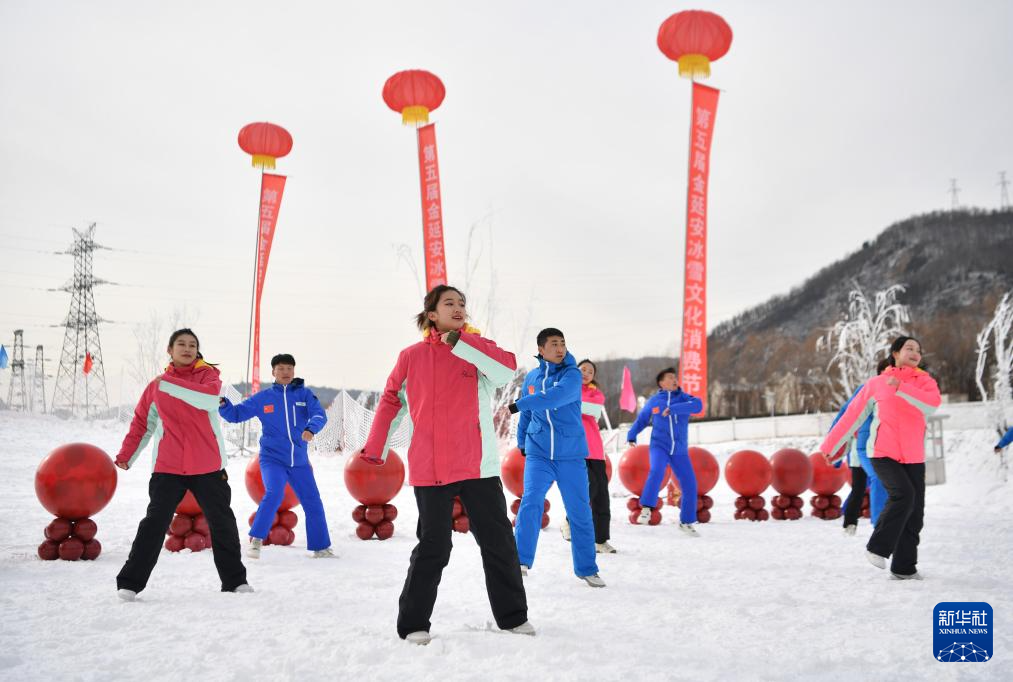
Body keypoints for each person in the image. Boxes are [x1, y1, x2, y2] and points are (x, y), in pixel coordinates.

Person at [359, 285, 532, 645]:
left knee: (498, 541)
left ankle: (513, 617)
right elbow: (391, 400)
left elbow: (506, 371)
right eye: (449, 303)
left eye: (462, 303)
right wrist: (375, 448)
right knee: (434, 546)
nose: (459, 308)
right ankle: (413, 623)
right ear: (432, 314)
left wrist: (464, 342)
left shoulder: (475, 350)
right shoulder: (411, 356)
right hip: (432, 466)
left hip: (477, 465)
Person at [114, 328, 251, 600]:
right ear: (170, 350)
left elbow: (209, 399)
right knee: (154, 523)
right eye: (181, 344)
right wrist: (127, 455)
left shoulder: (208, 377)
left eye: (192, 345)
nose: (187, 349)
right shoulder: (157, 386)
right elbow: (143, 422)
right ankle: (130, 582)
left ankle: (235, 581)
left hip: (208, 465)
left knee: (222, 523)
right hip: (168, 467)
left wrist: (167, 384)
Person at [817, 336, 941, 580]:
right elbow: (851, 416)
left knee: (915, 513)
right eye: (909, 348)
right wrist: (831, 446)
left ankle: (904, 568)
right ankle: (877, 547)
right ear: (895, 352)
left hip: (914, 457)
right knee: (903, 495)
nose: (916, 353)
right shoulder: (876, 384)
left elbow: (931, 405)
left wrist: (902, 388)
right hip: (883, 454)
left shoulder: (925, 382)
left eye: (918, 349)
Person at [508, 330, 604, 587]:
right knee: (530, 503)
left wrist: (521, 403)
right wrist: (521, 442)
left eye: (563, 343)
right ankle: (520, 561)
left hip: (570, 454)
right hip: (538, 451)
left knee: (579, 511)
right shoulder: (532, 377)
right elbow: (527, 416)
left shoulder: (572, 374)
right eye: (554, 344)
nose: (560, 348)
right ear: (542, 349)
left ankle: (587, 568)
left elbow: (555, 398)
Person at [219, 353, 333, 559]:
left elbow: (319, 414)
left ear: (294, 371)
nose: (286, 372)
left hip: (299, 461)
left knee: (313, 501)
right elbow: (236, 414)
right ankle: (256, 540)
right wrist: (223, 404)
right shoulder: (264, 398)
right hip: (272, 459)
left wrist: (311, 428)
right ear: (273, 372)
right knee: (274, 493)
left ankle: (321, 547)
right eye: (281, 368)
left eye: (289, 368)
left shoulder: (304, 395)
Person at [626, 368, 703, 535]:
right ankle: (646, 508)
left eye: (675, 377)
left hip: (679, 450)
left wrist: (674, 409)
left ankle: (686, 522)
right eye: (670, 377)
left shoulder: (684, 398)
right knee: (657, 470)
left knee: (690, 484)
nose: (675, 380)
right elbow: (642, 420)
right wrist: (631, 435)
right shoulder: (654, 401)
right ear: (661, 383)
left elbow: (698, 406)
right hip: (659, 446)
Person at [560, 359, 615, 554]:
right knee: (587, 488)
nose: (586, 373)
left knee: (601, 496)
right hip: (575, 450)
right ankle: (568, 521)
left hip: (596, 451)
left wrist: (570, 402)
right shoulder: (565, 388)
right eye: (582, 369)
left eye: (590, 371)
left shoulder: (595, 393)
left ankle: (600, 540)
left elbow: (592, 409)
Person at [830, 358, 891, 535]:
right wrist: (834, 453)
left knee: (868, 485)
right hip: (861, 451)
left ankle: (877, 522)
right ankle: (853, 523)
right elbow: (843, 420)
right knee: (863, 486)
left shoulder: (896, 393)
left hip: (881, 450)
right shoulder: (866, 391)